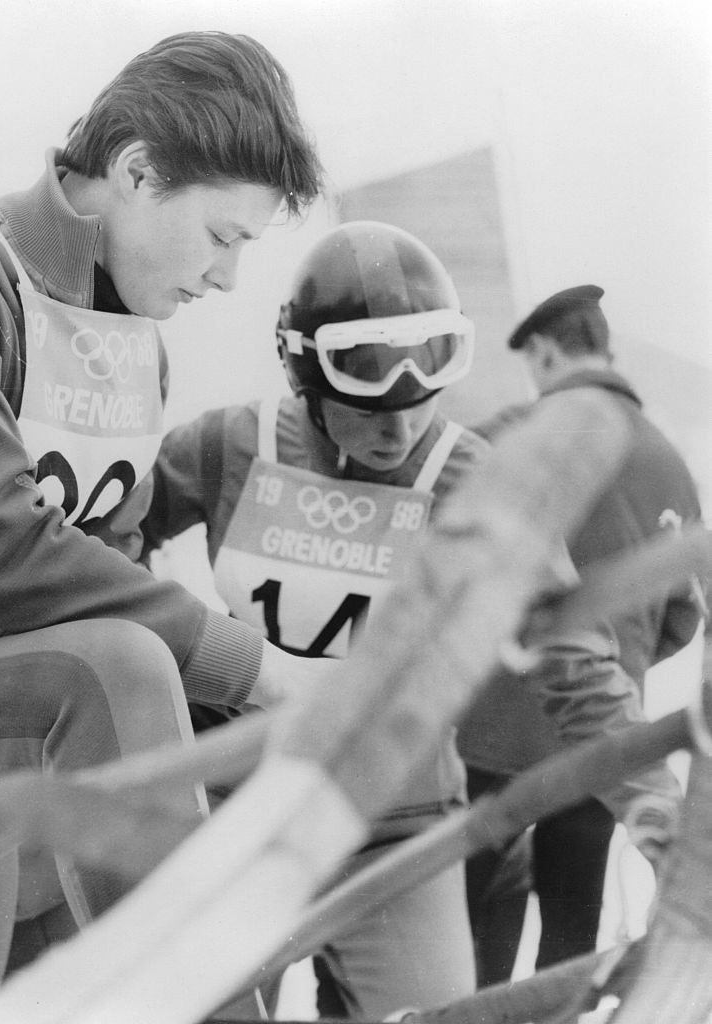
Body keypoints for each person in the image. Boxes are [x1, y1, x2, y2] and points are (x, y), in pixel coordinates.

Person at [0, 30, 325, 996]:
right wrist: (254, 670)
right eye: (222, 237)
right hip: (10, 708)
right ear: (135, 170)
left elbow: (108, 571)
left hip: (15, 741)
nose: (226, 280)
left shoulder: (135, 344)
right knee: (121, 663)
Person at [143, 221, 485, 1019]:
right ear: (309, 385)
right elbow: (104, 539)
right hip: (238, 807)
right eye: (369, 407)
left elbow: (569, 643)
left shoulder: (470, 473)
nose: (399, 430)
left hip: (393, 817)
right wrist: (179, 656)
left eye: (420, 400)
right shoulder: (234, 442)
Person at [458, 284, 704, 983]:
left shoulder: (496, 437)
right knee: (570, 936)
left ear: (541, 353)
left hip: (490, 740)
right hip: (604, 751)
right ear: (603, 348)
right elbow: (682, 616)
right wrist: (623, 658)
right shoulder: (669, 462)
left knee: (476, 939)